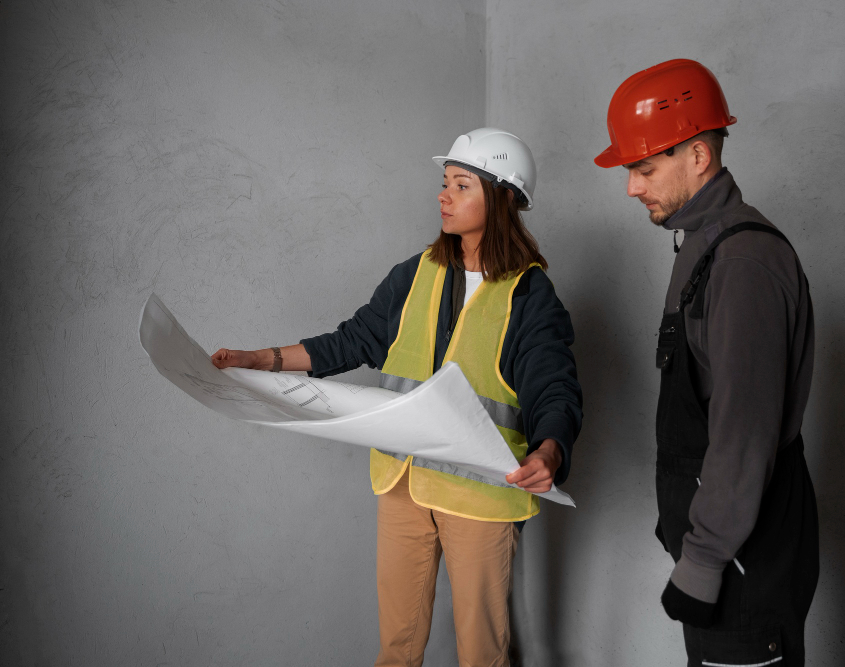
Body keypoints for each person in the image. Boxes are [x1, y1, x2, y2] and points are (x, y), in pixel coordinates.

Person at [211, 127, 582, 666]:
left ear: (501, 198)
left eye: (461, 185)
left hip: (481, 497)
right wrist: (259, 359)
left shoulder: (529, 294)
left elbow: (554, 385)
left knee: (482, 652)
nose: (444, 195)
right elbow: (350, 341)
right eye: (444, 183)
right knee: (397, 649)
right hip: (403, 484)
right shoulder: (416, 274)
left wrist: (550, 449)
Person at [594, 60, 819, 666]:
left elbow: (744, 431)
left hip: (745, 553)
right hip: (724, 541)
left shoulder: (743, 262)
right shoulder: (701, 244)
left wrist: (704, 558)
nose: (631, 187)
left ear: (698, 155)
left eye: (644, 169)